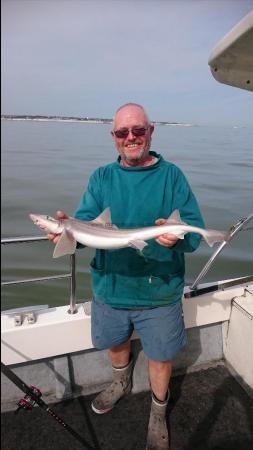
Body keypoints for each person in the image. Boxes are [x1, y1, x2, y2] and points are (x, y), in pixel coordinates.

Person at [49, 103, 204, 450]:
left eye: (138, 130)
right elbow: (84, 226)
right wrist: (65, 231)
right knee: (115, 343)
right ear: (114, 138)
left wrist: (176, 237)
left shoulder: (172, 176)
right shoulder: (101, 178)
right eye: (123, 132)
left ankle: (159, 410)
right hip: (111, 287)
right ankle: (121, 381)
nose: (131, 137)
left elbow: (193, 236)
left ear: (151, 131)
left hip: (159, 291)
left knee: (161, 356)